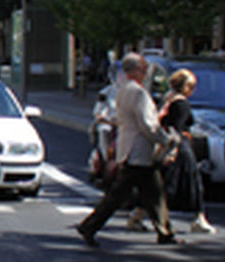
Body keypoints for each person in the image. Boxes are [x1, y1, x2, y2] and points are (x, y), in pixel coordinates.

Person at [76, 53, 182, 247]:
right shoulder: (139, 93)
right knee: (121, 196)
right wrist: (166, 139)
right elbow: (147, 124)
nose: (145, 73)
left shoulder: (123, 90)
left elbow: (123, 118)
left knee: (153, 193)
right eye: (143, 69)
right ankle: (89, 226)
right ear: (134, 71)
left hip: (129, 148)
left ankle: (165, 231)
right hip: (139, 151)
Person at [158, 68, 215, 234]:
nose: (193, 90)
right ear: (185, 86)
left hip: (169, 143)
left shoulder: (168, 98)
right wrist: (175, 149)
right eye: (191, 86)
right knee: (192, 182)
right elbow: (178, 127)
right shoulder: (181, 103)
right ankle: (199, 218)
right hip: (180, 146)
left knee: (163, 182)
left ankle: (138, 213)